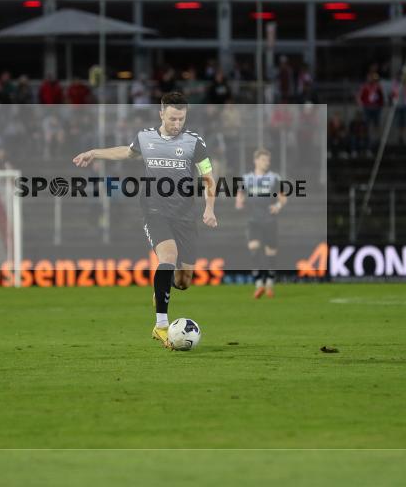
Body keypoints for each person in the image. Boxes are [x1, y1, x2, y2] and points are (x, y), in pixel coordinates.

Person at [72, 92, 217, 349]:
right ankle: (161, 325)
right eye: (172, 118)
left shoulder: (195, 143)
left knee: (183, 281)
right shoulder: (145, 138)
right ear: (161, 113)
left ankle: (162, 286)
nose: (176, 124)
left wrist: (210, 209)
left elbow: (208, 177)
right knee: (167, 257)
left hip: (186, 217)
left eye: (181, 119)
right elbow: (125, 153)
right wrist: (95, 152)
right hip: (155, 212)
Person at [235, 148, 286, 299]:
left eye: (268, 160)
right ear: (255, 160)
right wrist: (239, 201)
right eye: (263, 160)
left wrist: (277, 206)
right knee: (254, 248)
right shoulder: (247, 178)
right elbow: (240, 195)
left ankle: (269, 283)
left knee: (271, 252)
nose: (266, 163)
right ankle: (259, 284)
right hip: (253, 220)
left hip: (269, 220)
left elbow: (283, 197)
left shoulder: (274, 178)